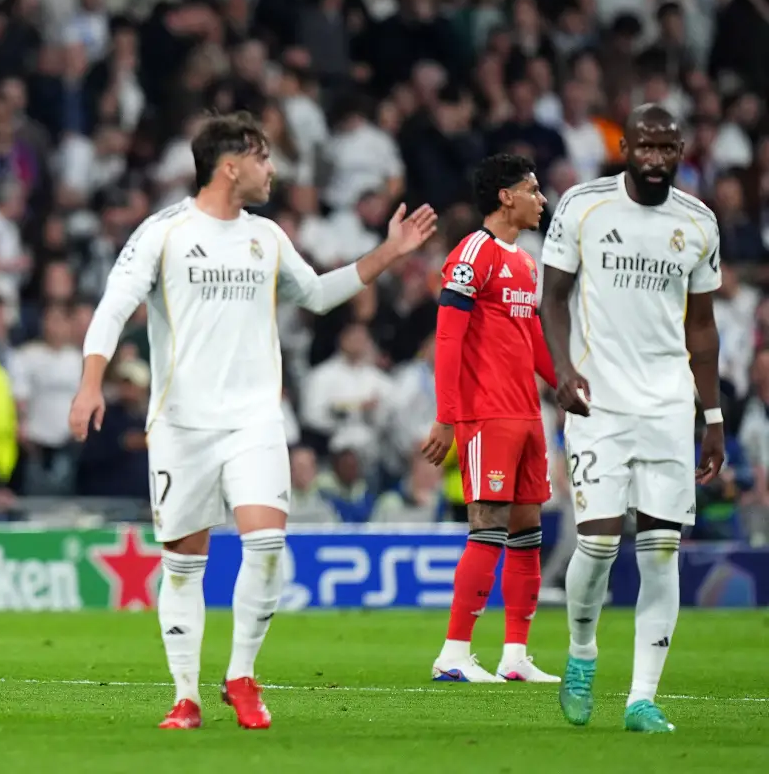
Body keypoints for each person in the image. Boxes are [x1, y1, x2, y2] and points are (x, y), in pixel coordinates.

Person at [68, 111, 438, 730]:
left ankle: (241, 674)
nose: (274, 170)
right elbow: (113, 308)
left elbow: (317, 294)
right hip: (183, 424)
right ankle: (185, 696)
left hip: (256, 420)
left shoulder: (267, 237)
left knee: (266, 544)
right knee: (185, 560)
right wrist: (90, 384)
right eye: (264, 157)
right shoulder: (164, 231)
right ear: (231, 164)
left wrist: (391, 253)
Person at [539, 104, 724, 733]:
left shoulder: (698, 222)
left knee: (661, 551)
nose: (654, 157)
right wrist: (561, 372)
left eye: (666, 148)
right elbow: (553, 297)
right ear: (625, 148)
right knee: (595, 539)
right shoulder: (583, 206)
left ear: (680, 153)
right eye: (643, 146)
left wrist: (714, 415)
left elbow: (702, 326)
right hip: (599, 401)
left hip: (670, 406)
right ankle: (583, 654)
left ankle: (642, 697)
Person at [421, 154, 561, 684]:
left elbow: (531, 339)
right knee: (488, 526)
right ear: (506, 196)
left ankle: (515, 656)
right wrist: (447, 417)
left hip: (527, 412)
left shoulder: (525, 261)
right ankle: (453, 654)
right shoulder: (472, 254)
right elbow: (449, 335)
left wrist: (564, 385)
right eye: (532, 188)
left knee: (528, 531)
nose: (540, 198)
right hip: (488, 413)